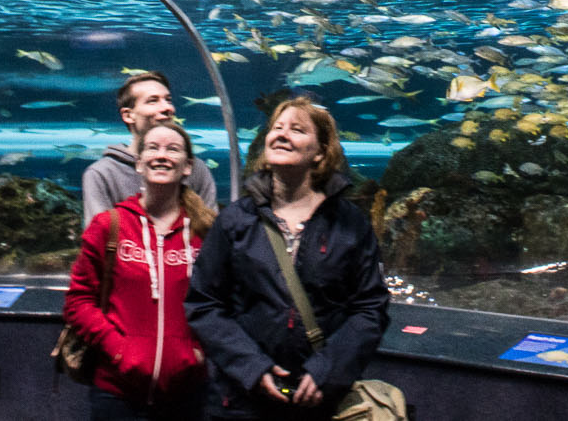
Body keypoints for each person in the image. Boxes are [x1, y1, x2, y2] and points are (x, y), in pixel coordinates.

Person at [186, 97, 390, 418]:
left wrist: (327, 369)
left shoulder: (349, 224)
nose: (282, 134)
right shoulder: (236, 220)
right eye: (276, 128)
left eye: (297, 129)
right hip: (242, 399)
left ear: (320, 151)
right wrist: (251, 367)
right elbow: (205, 303)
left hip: (321, 400)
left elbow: (370, 308)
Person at [63, 119, 216, 420]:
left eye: (173, 149)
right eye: (153, 148)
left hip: (187, 393)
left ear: (187, 166)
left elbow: (223, 303)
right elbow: (78, 301)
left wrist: (197, 352)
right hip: (116, 392)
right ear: (139, 163)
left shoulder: (207, 232)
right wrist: (119, 349)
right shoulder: (109, 226)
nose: (162, 155)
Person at [85, 70, 220, 224]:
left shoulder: (195, 168)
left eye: (168, 100)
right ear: (128, 115)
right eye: (153, 101)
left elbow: (212, 234)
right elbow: (97, 239)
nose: (167, 108)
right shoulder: (102, 174)